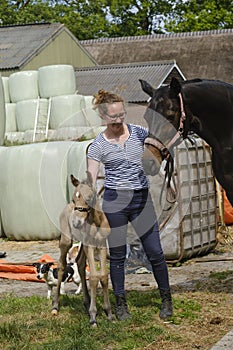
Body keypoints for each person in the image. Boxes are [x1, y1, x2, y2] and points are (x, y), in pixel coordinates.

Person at [87, 89, 173, 321]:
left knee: (155, 251)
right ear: (104, 117)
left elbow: (160, 140)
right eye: (113, 117)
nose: (118, 121)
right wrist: (89, 193)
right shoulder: (97, 145)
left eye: (121, 115)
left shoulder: (139, 133)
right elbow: (92, 174)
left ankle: (166, 299)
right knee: (117, 255)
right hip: (115, 201)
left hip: (140, 199)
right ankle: (121, 304)